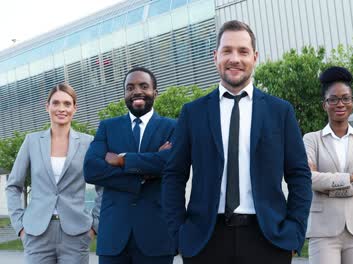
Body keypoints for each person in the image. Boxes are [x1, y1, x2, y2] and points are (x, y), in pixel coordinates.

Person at [162, 20, 312, 264]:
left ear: (255, 57)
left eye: (243, 51)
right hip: (205, 240)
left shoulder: (280, 112)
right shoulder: (192, 113)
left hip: (268, 240)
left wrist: (294, 230)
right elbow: (174, 175)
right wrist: (179, 233)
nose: (235, 59)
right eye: (227, 51)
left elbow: (299, 175)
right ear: (215, 57)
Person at [83, 67, 176, 264]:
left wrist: (123, 161)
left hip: (156, 235)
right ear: (125, 94)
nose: (137, 92)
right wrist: (144, 174)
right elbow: (91, 170)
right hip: (113, 237)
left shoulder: (173, 127)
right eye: (130, 87)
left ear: (155, 93)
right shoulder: (107, 127)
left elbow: (171, 163)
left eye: (144, 86)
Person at [6, 83, 101, 264]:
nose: (61, 109)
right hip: (36, 233)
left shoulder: (89, 142)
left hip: (76, 233)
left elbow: (103, 187)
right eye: (56, 103)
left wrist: (94, 227)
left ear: (75, 108)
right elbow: (13, 185)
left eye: (67, 104)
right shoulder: (31, 141)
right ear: (47, 106)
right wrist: (19, 226)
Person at [303, 66, 353, 264]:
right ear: (325, 104)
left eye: (346, 98)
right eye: (333, 99)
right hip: (323, 229)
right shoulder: (311, 140)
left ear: (352, 103)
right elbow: (310, 179)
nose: (340, 103)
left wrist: (331, 189)